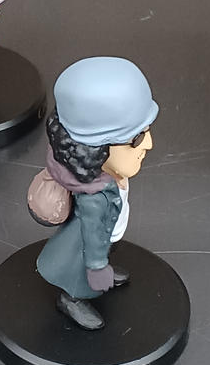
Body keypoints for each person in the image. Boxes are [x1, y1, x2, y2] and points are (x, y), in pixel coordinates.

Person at [35, 57, 158, 330]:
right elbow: (92, 236)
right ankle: (71, 299)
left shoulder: (110, 176)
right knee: (80, 275)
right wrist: (97, 266)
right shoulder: (93, 198)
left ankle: (104, 269)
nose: (148, 144)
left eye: (146, 131)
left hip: (107, 235)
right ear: (93, 150)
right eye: (136, 139)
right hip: (84, 250)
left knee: (108, 247)